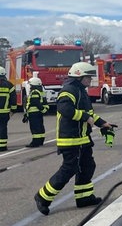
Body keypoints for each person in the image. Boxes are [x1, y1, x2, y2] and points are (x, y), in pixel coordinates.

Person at [34, 62, 115, 215]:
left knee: (87, 166)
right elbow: (64, 109)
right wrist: (85, 117)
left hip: (82, 138)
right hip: (70, 139)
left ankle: (84, 197)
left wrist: (103, 123)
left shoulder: (80, 91)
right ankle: (42, 197)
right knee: (69, 169)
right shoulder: (69, 90)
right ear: (79, 76)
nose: (90, 80)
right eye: (88, 77)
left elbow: (89, 114)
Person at [24, 77, 49, 147]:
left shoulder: (34, 92)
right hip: (38, 113)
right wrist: (44, 110)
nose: (30, 86)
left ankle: (35, 142)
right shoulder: (40, 92)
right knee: (40, 126)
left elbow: (35, 102)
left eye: (31, 85)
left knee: (35, 128)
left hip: (34, 113)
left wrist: (43, 110)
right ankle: (40, 140)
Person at [0, 66, 17, 151]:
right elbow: (13, 99)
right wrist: (13, 109)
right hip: (4, 112)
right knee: (2, 127)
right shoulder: (9, 85)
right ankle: (2, 146)